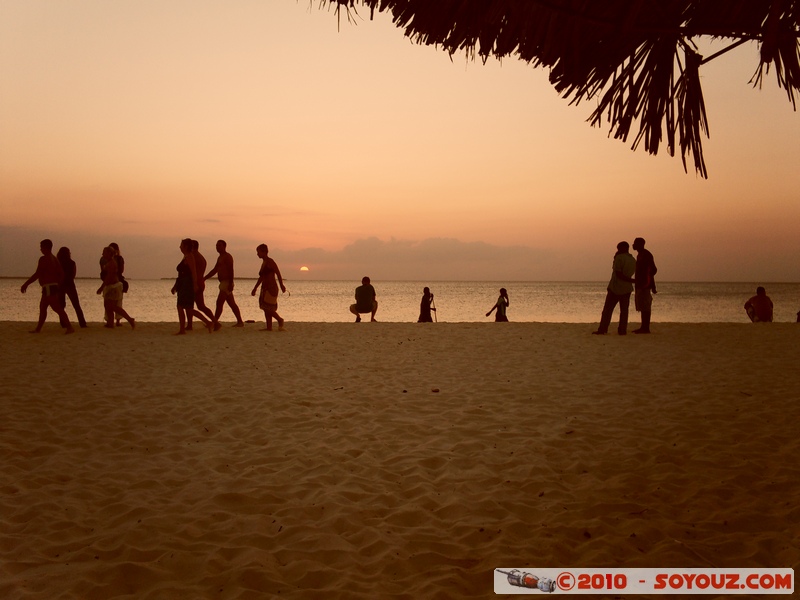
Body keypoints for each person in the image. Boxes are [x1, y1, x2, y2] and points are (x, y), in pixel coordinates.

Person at [20, 239, 75, 334]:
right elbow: (61, 274)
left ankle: (69, 327)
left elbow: (37, 273)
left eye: (41, 247)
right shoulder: (55, 259)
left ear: (45, 248)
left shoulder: (44, 259)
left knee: (56, 308)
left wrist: (26, 284)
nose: (40, 249)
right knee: (43, 307)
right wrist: (58, 284)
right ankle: (38, 328)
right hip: (50, 287)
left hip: (49, 287)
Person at [171, 238, 214, 335]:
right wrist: (175, 286)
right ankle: (208, 322)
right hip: (182, 283)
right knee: (186, 308)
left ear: (186, 246)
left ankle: (183, 329)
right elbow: (181, 273)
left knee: (184, 307)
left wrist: (195, 284)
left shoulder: (190, 256)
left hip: (187, 284)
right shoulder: (186, 256)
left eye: (181, 245)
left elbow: (193, 272)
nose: (180, 247)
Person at [593, 241, 636, 335]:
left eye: (619, 248)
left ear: (622, 248)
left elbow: (618, 273)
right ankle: (622, 330)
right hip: (627, 288)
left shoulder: (619, 258)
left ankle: (603, 329)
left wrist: (632, 280)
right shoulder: (632, 259)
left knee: (607, 310)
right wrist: (632, 281)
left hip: (615, 288)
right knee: (624, 311)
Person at [204, 240, 244, 327]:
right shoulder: (220, 257)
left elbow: (231, 270)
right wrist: (205, 278)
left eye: (219, 245)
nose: (217, 247)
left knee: (219, 302)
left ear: (224, 246)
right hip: (223, 282)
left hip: (227, 282)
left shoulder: (227, 256)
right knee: (232, 304)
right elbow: (215, 270)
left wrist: (231, 283)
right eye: (216, 245)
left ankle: (215, 322)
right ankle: (240, 321)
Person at [96, 246, 136, 329]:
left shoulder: (112, 263)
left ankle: (130, 319)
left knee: (113, 307)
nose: (102, 254)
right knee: (108, 306)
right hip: (111, 286)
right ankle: (110, 323)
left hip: (113, 287)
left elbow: (109, 277)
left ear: (109, 253)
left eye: (104, 252)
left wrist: (101, 287)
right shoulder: (108, 262)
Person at [251, 244, 286, 331]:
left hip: (271, 287)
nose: (257, 254)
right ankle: (269, 327)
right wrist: (255, 288)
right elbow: (261, 277)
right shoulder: (264, 263)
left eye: (258, 252)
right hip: (265, 287)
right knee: (265, 307)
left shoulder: (270, 261)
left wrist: (281, 285)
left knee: (268, 308)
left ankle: (279, 319)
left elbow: (278, 273)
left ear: (264, 252)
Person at [187, 240, 219, 330]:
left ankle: (212, 322)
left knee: (190, 305)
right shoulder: (201, 257)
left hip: (196, 282)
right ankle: (215, 322)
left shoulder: (193, 257)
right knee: (201, 306)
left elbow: (192, 272)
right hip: (200, 281)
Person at [56, 246, 87, 328]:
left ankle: (63, 323)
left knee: (61, 305)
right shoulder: (72, 262)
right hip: (70, 284)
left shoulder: (58, 262)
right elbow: (73, 274)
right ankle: (82, 323)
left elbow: (57, 274)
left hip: (61, 284)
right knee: (76, 305)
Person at [632, 237, 657, 334]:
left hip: (645, 285)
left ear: (641, 244)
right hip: (639, 284)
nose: (633, 245)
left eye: (635, 243)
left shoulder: (647, 255)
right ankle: (643, 326)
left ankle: (646, 328)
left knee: (646, 307)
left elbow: (653, 270)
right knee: (642, 307)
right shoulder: (640, 255)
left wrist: (652, 284)